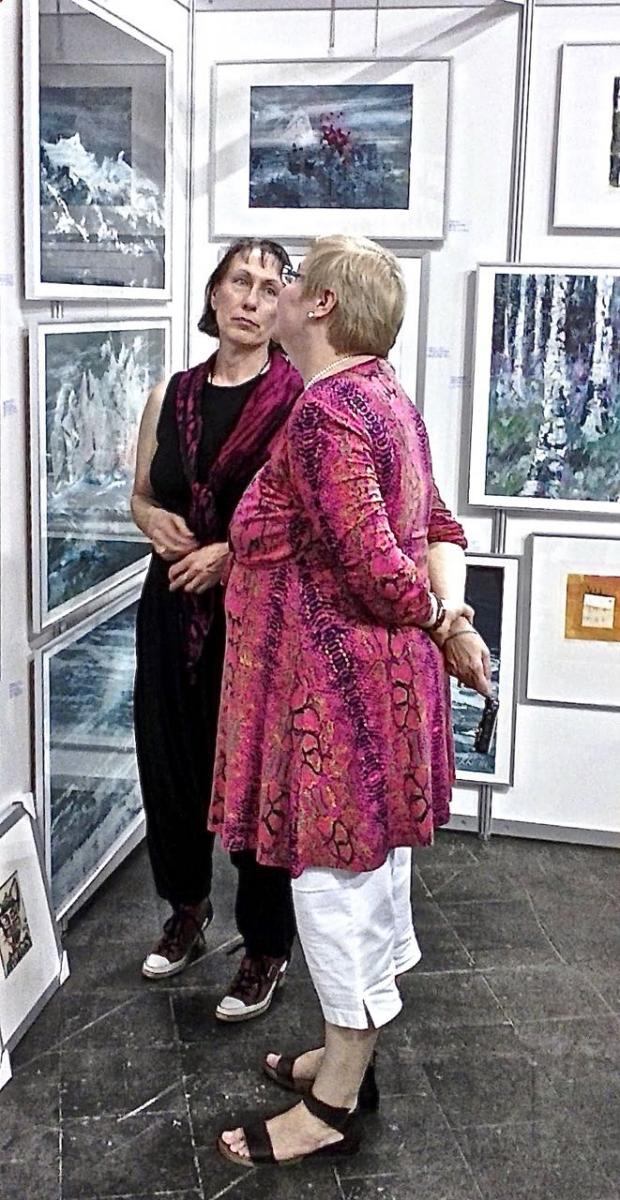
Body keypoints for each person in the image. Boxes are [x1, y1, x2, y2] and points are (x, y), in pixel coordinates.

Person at [208, 235, 491, 1165]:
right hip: (371, 695)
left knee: (335, 898)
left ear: (323, 304)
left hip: (336, 706)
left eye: (291, 280)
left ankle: (333, 1106)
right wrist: (449, 620)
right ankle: (342, 1059)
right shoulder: (384, 395)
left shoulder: (329, 411)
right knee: (366, 887)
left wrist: (442, 621)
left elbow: (375, 567)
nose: (278, 293)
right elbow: (437, 528)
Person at [131, 238, 302, 1021]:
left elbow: (306, 520)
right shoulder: (171, 393)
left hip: (253, 619)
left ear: (282, 307)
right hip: (170, 604)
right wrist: (151, 522)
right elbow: (142, 492)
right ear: (214, 292)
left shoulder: (297, 403)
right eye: (240, 281)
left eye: (269, 288)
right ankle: (187, 910)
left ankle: (265, 946)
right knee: (171, 765)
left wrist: (231, 555)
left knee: (252, 778)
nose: (252, 299)